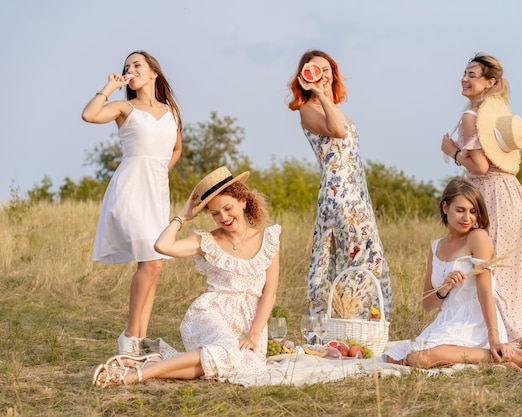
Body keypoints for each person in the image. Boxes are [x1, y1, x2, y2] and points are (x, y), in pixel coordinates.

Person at [92, 166, 281, 387]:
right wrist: (182, 216)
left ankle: (147, 363)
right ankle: (134, 376)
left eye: (228, 208)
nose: (224, 218)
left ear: (243, 201)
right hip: (212, 312)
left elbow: (270, 292)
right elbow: (163, 246)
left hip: (249, 320)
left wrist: (253, 336)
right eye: (215, 213)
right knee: (226, 352)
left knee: (249, 365)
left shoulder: (268, 239)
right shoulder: (207, 241)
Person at [81, 50, 183, 355]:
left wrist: (158, 170)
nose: (130, 69)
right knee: (150, 261)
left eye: (136, 65)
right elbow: (89, 115)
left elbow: (175, 149)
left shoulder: (171, 112)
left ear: (153, 72)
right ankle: (129, 336)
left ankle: (138, 338)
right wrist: (109, 87)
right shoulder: (124, 107)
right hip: (129, 189)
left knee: (154, 267)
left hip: (156, 192)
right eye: (127, 66)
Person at [383, 178, 522, 371]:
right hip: (448, 320)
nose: (467, 218)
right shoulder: (436, 247)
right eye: (460, 210)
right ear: (445, 207)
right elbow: (427, 304)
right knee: (393, 357)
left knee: (419, 358)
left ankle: (494, 355)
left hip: (476, 321)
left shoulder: (477, 238)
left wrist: (494, 338)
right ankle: (490, 359)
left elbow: (485, 292)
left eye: (473, 211)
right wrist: (445, 288)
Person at [440, 53, 522, 346]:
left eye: (472, 74)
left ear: (489, 82)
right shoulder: (491, 117)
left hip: (490, 195)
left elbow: (480, 167)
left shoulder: (472, 118)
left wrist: (453, 152)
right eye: (465, 73)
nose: (465, 79)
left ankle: (499, 334)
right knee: (510, 265)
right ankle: (514, 330)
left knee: (487, 263)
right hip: (512, 192)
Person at [287, 50, 391, 320]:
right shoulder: (308, 110)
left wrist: (326, 97)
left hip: (356, 192)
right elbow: (339, 132)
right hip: (338, 195)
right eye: (315, 70)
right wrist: (319, 93)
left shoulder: (333, 107)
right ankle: (342, 319)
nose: (322, 75)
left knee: (363, 255)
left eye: (327, 69)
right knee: (361, 255)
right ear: (304, 77)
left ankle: (359, 318)